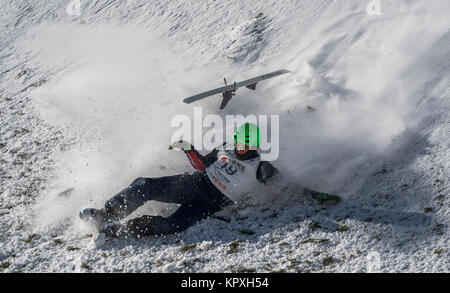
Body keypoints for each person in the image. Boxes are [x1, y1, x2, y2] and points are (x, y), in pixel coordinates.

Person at [79, 123, 340, 245]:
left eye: (248, 142)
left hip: (213, 201)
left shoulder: (261, 167)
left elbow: (287, 188)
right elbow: (202, 164)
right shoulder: (225, 147)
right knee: (147, 186)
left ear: (255, 143)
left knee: (174, 225)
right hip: (197, 183)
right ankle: (107, 213)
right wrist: (188, 149)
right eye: (241, 140)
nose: (243, 145)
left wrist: (316, 196)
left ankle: (116, 230)